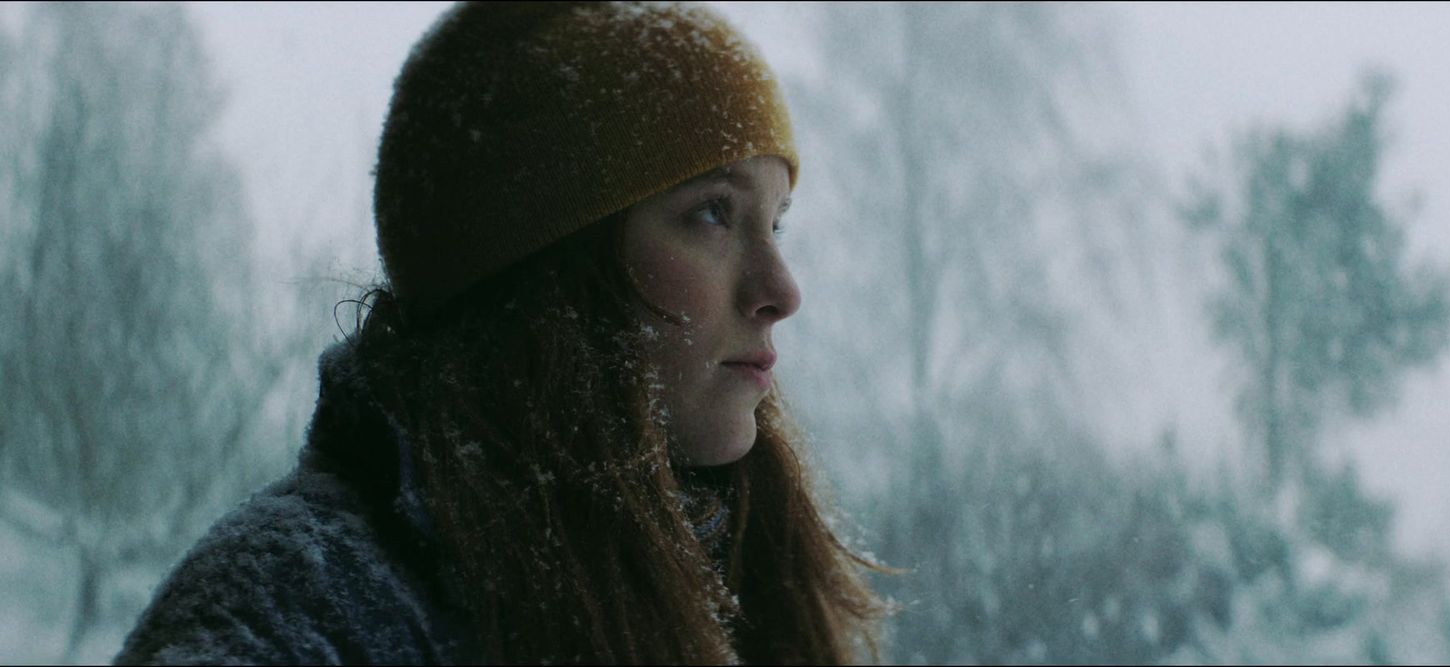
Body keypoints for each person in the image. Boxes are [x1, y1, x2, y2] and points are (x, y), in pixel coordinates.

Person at [114, 2, 885, 664]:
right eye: (712, 213)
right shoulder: (297, 608)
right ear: (547, 271)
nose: (782, 291)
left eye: (776, 222)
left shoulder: (747, 588)